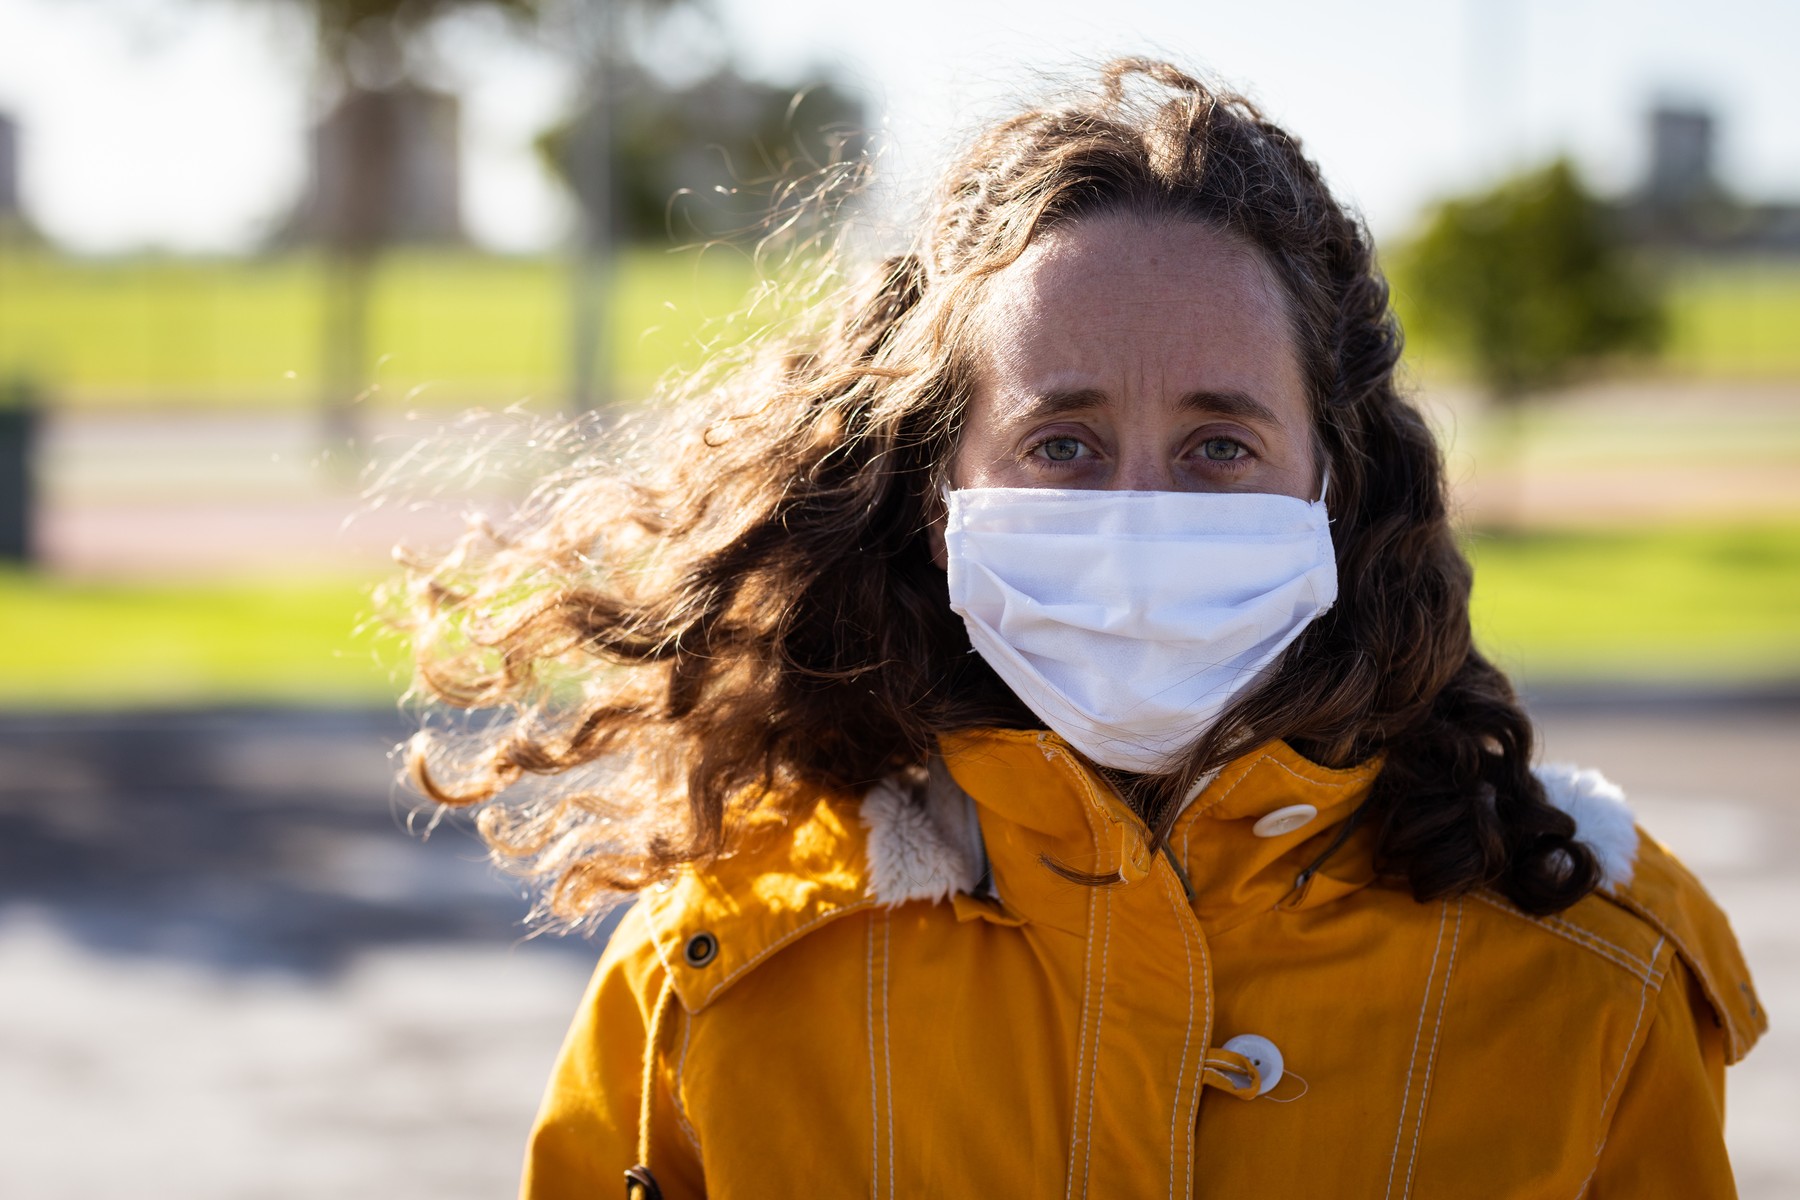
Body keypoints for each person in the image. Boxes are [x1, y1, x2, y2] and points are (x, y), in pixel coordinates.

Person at [397, 59, 1765, 1199]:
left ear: (1335, 492)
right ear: (937, 502)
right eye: (1062, 442)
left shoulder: (1591, 960)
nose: (1136, 515)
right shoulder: (727, 963)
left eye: (1220, 444)